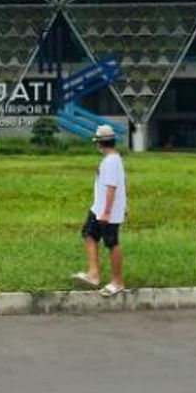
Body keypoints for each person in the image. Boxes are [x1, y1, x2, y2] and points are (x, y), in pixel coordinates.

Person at [72, 123, 126, 297]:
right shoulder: (113, 159)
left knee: (111, 243)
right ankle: (93, 274)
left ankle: (117, 282)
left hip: (106, 212)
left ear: (100, 143)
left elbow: (111, 187)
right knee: (88, 233)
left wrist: (108, 212)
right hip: (98, 208)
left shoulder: (110, 162)